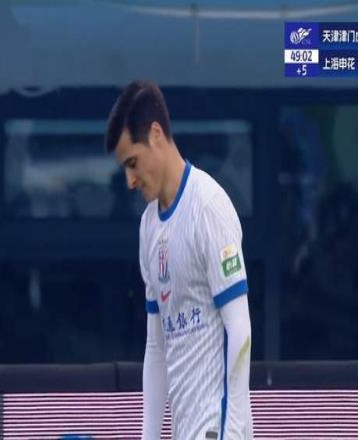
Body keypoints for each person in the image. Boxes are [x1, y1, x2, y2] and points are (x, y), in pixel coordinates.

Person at [105, 80, 254, 440]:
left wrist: (231, 431)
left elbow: (240, 328)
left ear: (156, 134)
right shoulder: (148, 227)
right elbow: (156, 347)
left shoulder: (209, 207)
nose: (129, 180)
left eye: (132, 163)